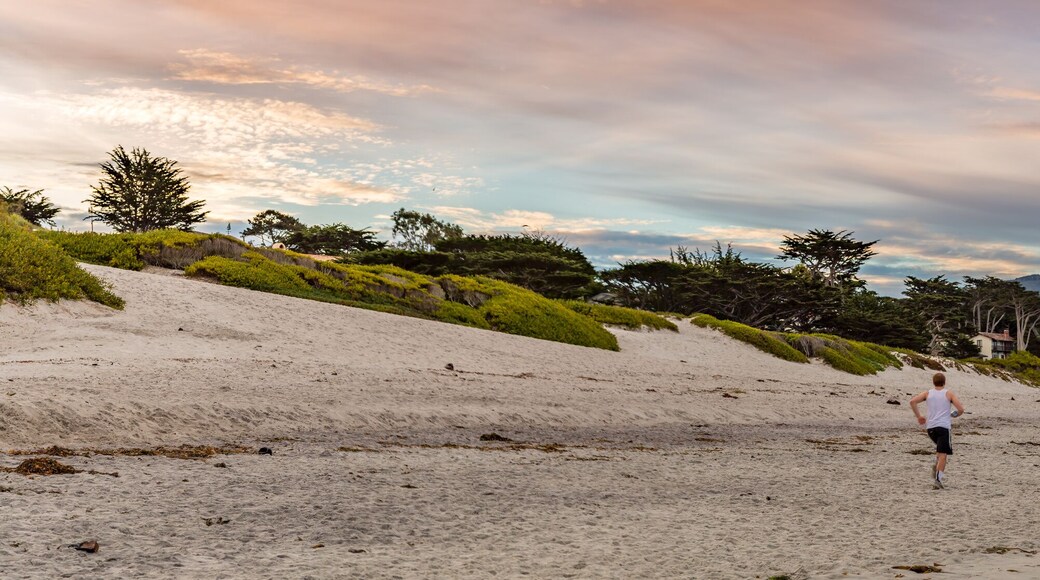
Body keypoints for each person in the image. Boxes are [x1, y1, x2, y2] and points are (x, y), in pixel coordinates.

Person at [909, 372, 965, 489]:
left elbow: (912, 401)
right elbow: (960, 409)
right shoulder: (948, 393)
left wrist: (919, 416)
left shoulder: (927, 393)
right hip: (943, 427)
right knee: (943, 455)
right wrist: (954, 414)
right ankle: (938, 480)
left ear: (934, 382)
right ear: (944, 382)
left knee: (940, 451)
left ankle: (937, 466)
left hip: (931, 428)